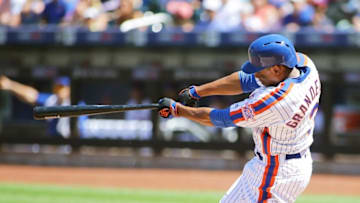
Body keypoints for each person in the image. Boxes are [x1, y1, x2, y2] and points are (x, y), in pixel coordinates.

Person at [158, 34, 321, 203]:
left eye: (260, 68)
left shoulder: (277, 101)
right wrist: (197, 91)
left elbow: (221, 118)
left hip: (277, 172)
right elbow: (246, 80)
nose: (256, 73)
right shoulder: (303, 63)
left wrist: (178, 110)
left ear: (277, 69)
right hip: (275, 164)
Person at [0, 75, 74, 138]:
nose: (59, 90)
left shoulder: (75, 103)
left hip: (71, 145)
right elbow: (32, 95)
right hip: (54, 143)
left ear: (69, 89)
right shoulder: (52, 100)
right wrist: (10, 85)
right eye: (57, 87)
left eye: (62, 87)